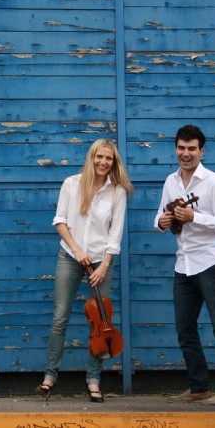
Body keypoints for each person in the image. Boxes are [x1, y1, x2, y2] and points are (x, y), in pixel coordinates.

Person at [36, 139, 133, 403]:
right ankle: (49, 377)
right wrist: (78, 251)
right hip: (70, 257)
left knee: (100, 322)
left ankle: (93, 380)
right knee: (60, 317)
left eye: (109, 159)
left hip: (102, 262)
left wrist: (104, 265)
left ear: (114, 163)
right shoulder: (72, 184)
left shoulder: (117, 192)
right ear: (91, 158)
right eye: (99, 157)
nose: (103, 162)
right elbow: (60, 221)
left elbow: (115, 233)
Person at [154, 124, 215, 406]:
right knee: (185, 328)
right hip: (184, 264)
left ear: (201, 151)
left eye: (192, 148)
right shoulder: (171, 181)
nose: (186, 153)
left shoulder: (214, 182)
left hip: (212, 262)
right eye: (181, 148)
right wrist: (161, 222)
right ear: (176, 149)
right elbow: (160, 215)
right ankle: (199, 388)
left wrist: (196, 217)